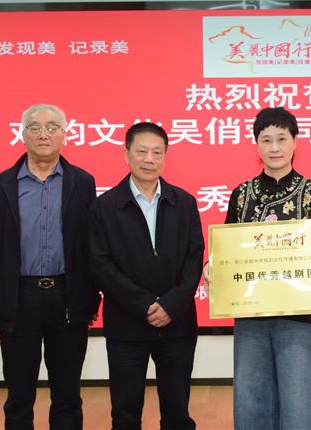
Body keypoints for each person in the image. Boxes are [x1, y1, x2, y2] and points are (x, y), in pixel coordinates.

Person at [0, 104, 99, 429]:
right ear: (22, 134)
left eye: (52, 127)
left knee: (68, 395)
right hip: (19, 301)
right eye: (35, 127)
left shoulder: (83, 183)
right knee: (19, 397)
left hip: (67, 299)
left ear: (64, 134)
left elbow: (91, 249)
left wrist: (90, 302)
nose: (43, 134)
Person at [89, 122, 204, 430]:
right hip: (126, 325)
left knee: (177, 413)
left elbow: (194, 259)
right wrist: (144, 305)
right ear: (126, 154)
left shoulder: (184, 202)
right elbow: (101, 265)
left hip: (177, 323)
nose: (149, 159)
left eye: (157, 152)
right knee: (125, 414)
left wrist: (170, 305)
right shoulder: (104, 207)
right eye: (141, 151)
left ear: (165, 156)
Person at [224, 107, 311, 430]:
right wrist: (214, 267)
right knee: (251, 403)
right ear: (256, 144)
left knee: (300, 406)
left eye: (282, 139)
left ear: (295, 142)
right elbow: (228, 250)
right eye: (266, 139)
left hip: (301, 318)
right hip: (251, 316)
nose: (274, 148)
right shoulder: (241, 195)